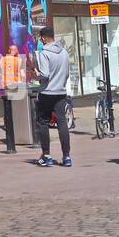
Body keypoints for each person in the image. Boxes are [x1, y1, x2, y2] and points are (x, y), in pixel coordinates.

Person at [34, 26, 73, 167]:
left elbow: (44, 74)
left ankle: (46, 155)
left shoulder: (44, 53)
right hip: (61, 92)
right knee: (62, 123)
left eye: (40, 39)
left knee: (43, 122)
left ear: (43, 38)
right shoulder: (64, 52)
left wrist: (36, 75)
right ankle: (67, 156)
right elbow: (67, 73)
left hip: (47, 93)